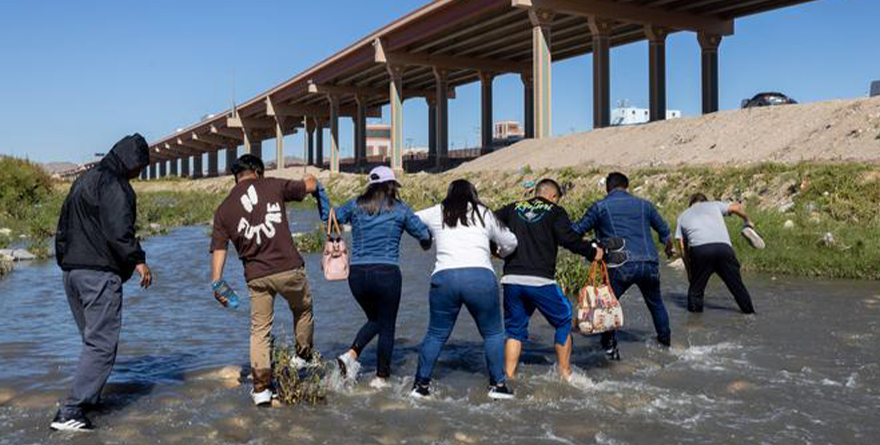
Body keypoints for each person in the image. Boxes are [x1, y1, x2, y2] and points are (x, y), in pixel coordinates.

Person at [52, 134, 153, 431]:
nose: (140, 173)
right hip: (97, 275)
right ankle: (70, 411)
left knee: (92, 341)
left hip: (72, 274)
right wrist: (138, 260)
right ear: (132, 161)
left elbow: (63, 227)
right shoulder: (115, 185)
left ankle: (89, 400)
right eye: (141, 167)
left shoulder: (84, 180)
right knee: (101, 345)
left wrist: (65, 263)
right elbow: (119, 230)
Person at [210, 154, 322, 406]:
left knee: (259, 330)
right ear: (258, 172)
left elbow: (219, 247)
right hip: (288, 268)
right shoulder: (273, 185)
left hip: (256, 277)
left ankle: (261, 389)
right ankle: (303, 356)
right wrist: (313, 181)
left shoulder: (224, 208)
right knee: (303, 309)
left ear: (236, 177)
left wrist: (217, 281)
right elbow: (308, 186)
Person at [317, 166, 432, 388]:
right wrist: (428, 241)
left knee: (375, 320)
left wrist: (319, 191)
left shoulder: (355, 205)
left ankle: (351, 356)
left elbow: (328, 216)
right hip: (386, 274)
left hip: (357, 276)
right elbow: (423, 235)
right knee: (386, 325)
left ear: (370, 185)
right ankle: (381, 378)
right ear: (391, 186)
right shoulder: (400, 209)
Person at [410, 180, 518, 400]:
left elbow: (409, 220)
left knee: (436, 334)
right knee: (493, 333)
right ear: (473, 194)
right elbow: (511, 241)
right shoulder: (484, 213)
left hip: (444, 278)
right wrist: (501, 252)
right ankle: (498, 386)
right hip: (480, 277)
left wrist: (426, 238)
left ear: (449, 194)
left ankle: (420, 386)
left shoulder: (436, 211)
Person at [495, 179, 602, 381]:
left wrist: (494, 249)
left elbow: (489, 222)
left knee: (514, 330)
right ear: (553, 196)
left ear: (536, 192)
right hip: (540, 280)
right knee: (563, 319)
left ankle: (508, 376)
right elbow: (568, 238)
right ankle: (565, 372)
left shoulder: (513, 207)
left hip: (511, 280)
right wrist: (591, 251)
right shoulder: (555, 211)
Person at [572, 172, 674, 360]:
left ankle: (610, 349)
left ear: (608, 188)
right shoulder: (645, 205)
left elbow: (576, 231)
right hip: (649, 262)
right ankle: (666, 345)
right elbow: (666, 234)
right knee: (656, 305)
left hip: (620, 265)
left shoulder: (600, 207)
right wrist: (669, 249)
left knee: (607, 306)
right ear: (627, 186)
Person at [675, 193, 756, 314]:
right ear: (705, 201)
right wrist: (748, 221)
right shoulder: (714, 205)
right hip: (724, 249)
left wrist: (689, 271)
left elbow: (682, 247)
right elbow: (736, 208)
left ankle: (695, 324)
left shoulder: (683, 216)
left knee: (696, 291)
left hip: (700, 251)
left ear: (690, 204)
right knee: (737, 287)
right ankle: (750, 314)